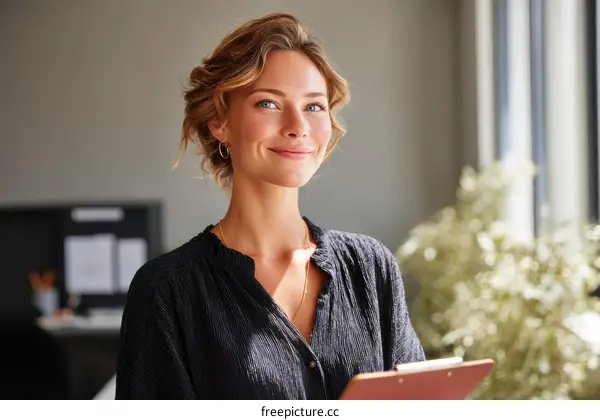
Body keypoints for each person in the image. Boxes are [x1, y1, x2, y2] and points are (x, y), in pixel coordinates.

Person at [115, 12, 425, 400]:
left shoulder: (371, 268)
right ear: (219, 123)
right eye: (268, 103)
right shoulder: (167, 290)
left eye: (314, 106)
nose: (298, 126)